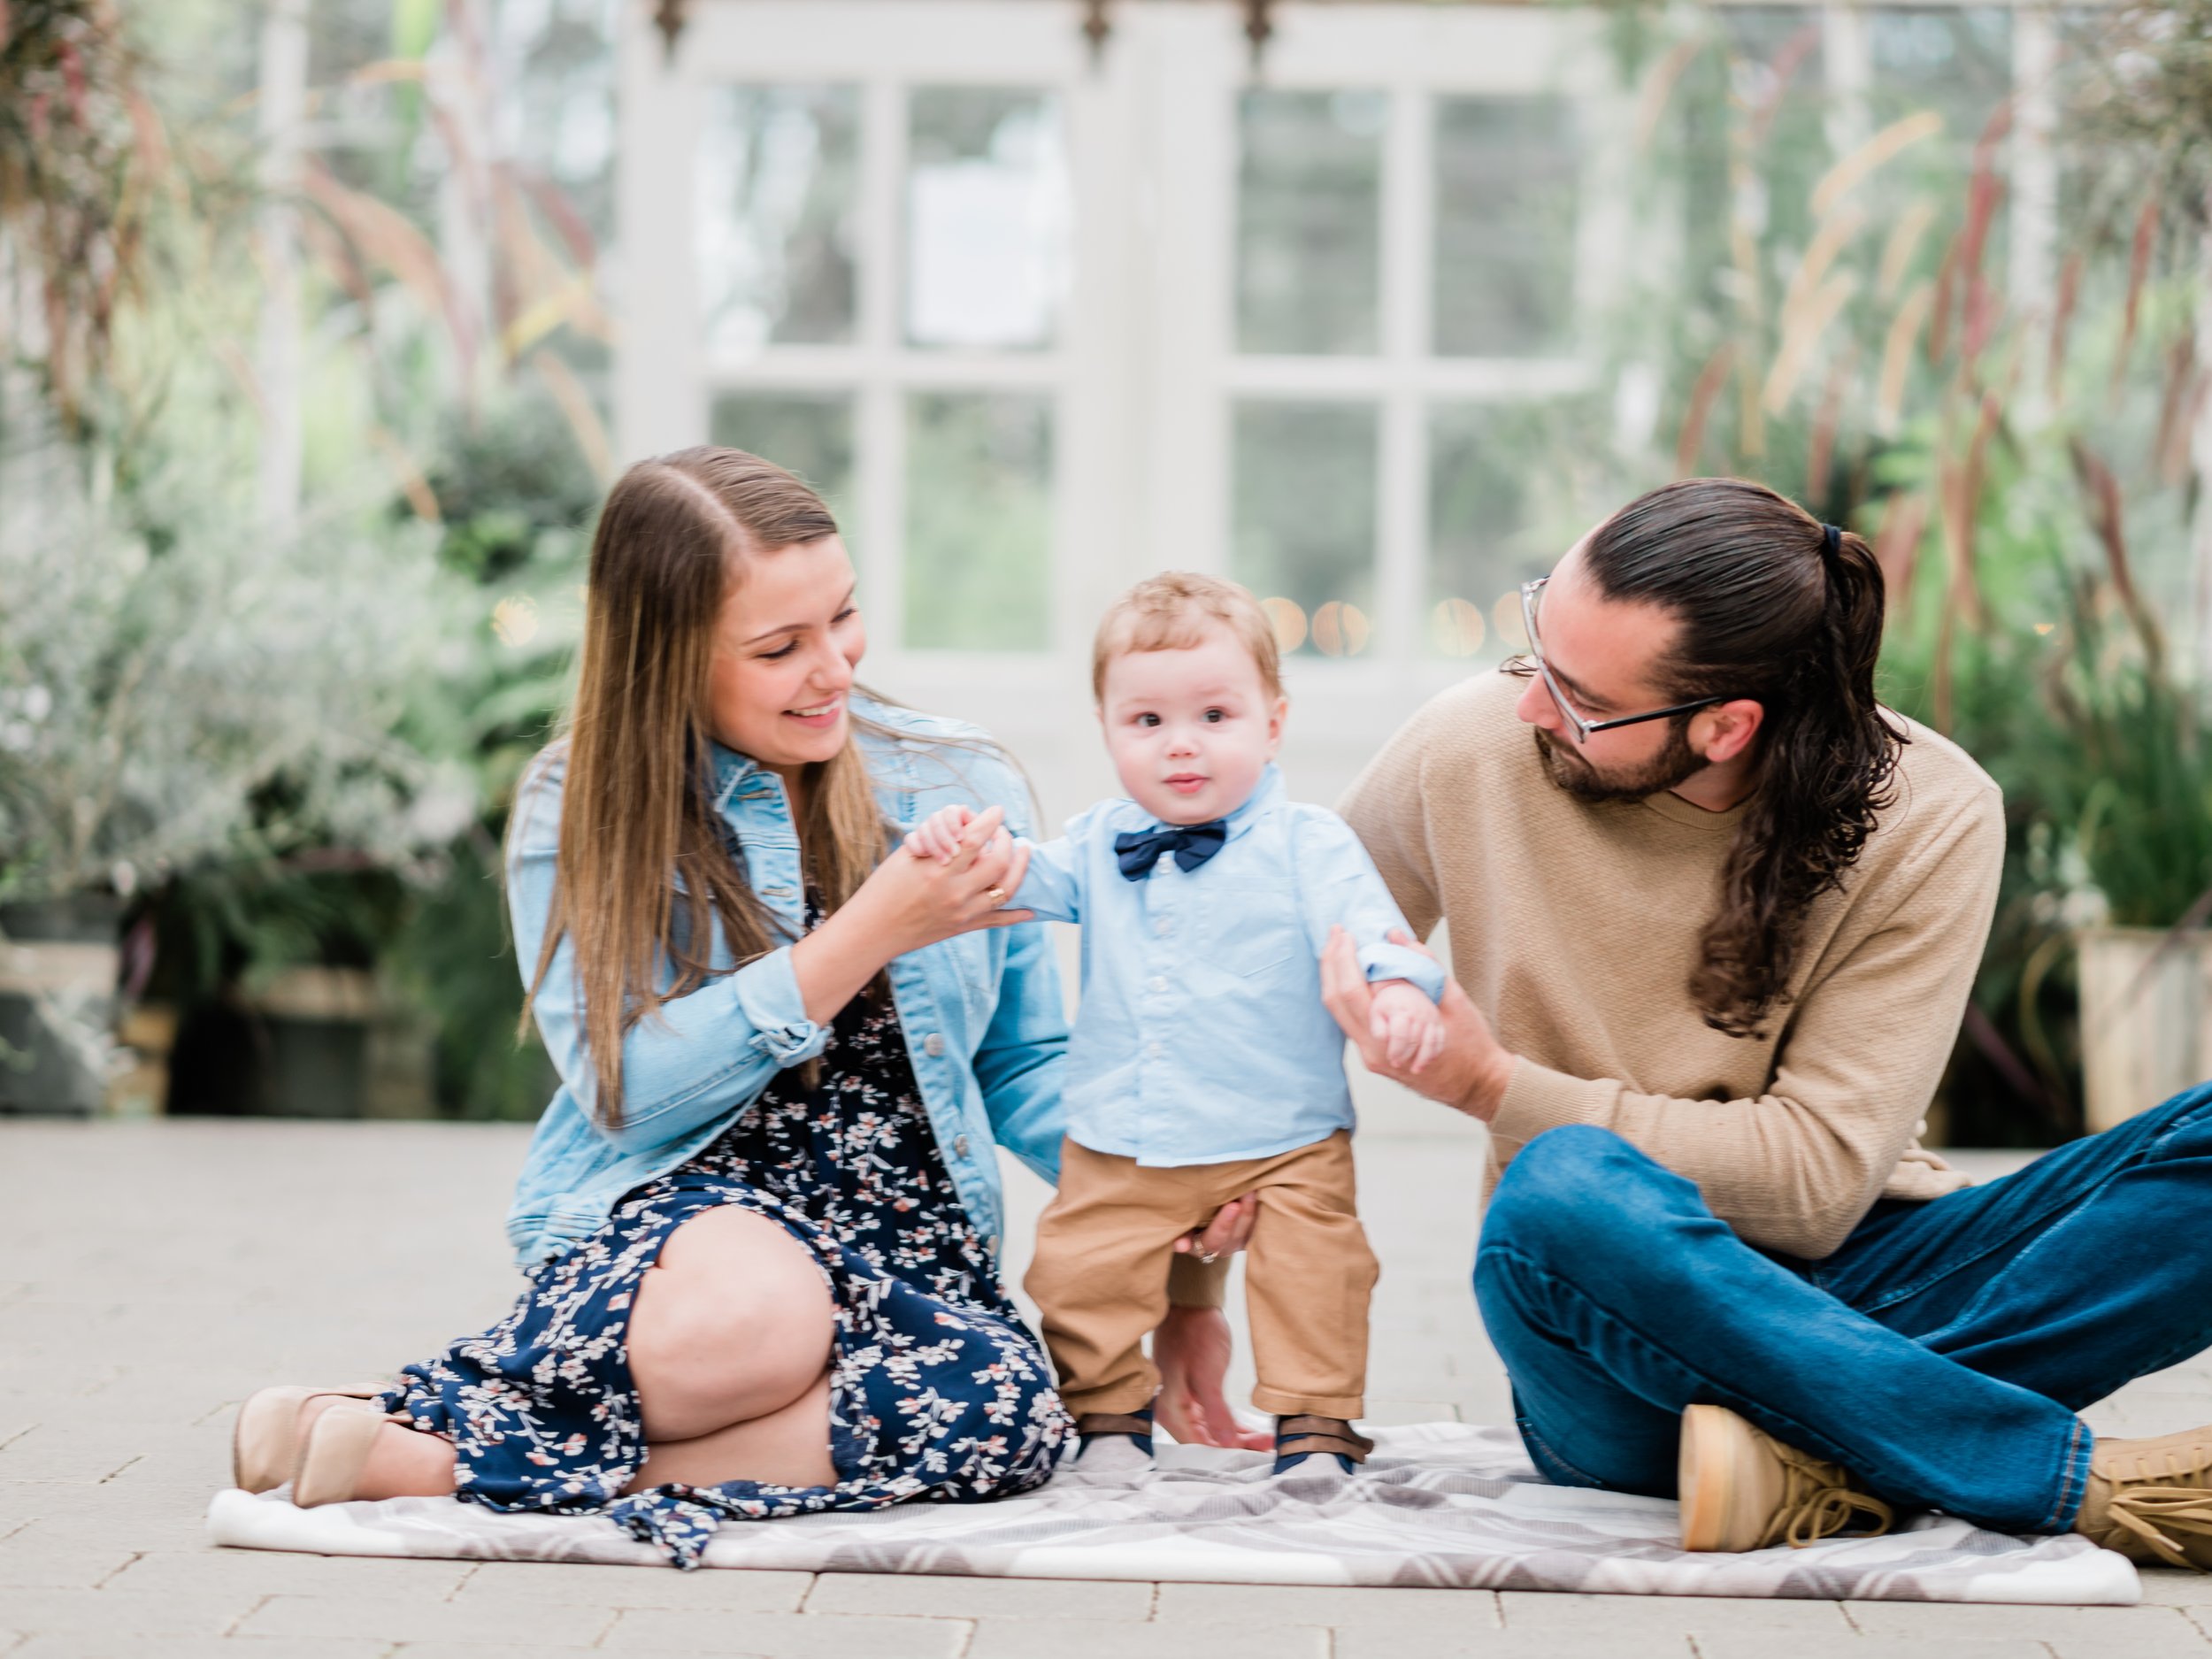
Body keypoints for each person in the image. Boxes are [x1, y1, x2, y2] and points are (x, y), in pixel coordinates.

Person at [228, 448, 1246, 1568]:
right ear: (667, 662)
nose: (834, 671)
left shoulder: (959, 780)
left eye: (843, 618)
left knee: (1006, 1413)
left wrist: (1155, 1176)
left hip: (908, 1231)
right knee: (765, 1322)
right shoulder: (579, 807)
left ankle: (435, 1449)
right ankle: (469, 1420)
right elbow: (627, 1088)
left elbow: (1023, 1063)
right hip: (683, 1214)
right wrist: (875, 927)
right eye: (779, 649)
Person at [1321, 476, 2212, 1570]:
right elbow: (1294, 929)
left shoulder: (1931, 811)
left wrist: (1492, 1087)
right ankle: (2039, 1471)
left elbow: (1813, 1182)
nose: (1527, 704)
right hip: (1613, 1321)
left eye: (1576, 694)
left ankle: (1819, 1460)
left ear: (1725, 725)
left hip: (1869, 1274)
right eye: (1535, 634)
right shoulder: (1469, 743)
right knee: (1560, 1191)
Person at [906, 573, 1445, 1476]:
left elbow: (1368, 928)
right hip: (1126, 1134)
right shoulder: (1096, 839)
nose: (1181, 745)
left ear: (1273, 722)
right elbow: (1020, 878)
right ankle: (1108, 1418)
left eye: (1214, 716)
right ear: (1109, 729)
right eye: (1147, 722)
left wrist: (1396, 995)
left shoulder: (1306, 843)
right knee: (1082, 1272)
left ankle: (1314, 1424)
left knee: (1319, 1274)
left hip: (1285, 1138)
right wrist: (968, 846)